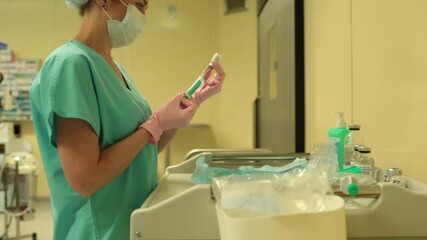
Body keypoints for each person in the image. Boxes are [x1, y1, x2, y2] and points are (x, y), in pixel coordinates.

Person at [29, 0, 225, 239]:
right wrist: (154, 125)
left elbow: (144, 148)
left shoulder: (114, 68)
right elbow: (85, 179)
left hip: (132, 226)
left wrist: (186, 106)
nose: (143, 15)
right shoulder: (70, 64)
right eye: (139, 5)